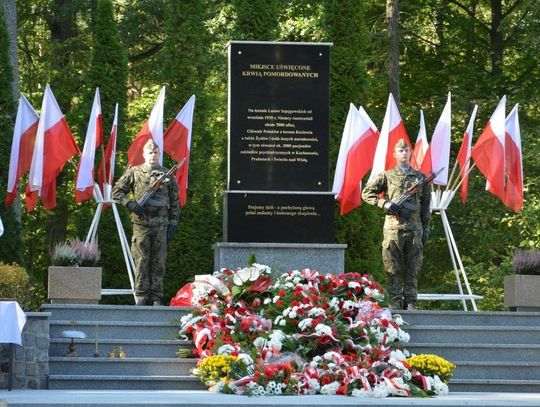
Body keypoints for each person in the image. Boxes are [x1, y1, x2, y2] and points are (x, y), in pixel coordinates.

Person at [362, 138, 431, 310]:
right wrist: (384, 203)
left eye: (406, 150)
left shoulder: (421, 178)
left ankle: (410, 301)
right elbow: (367, 193)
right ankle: (394, 300)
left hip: (415, 229)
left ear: (410, 153)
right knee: (392, 266)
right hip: (393, 228)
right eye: (400, 151)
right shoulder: (387, 176)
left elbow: (425, 207)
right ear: (394, 154)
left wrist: (426, 230)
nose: (404, 153)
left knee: (413, 267)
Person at [112, 139, 179, 306]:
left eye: (156, 153)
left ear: (159, 154)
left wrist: (173, 223)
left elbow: (175, 202)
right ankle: (141, 296)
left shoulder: (167, 175)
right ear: (144, 154)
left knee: (159, 261)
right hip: (141, 225)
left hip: (161, 225)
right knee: (141, 260)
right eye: (150, 153)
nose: (153, 156)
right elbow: (116, 191)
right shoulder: (135, 172)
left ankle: (156, 297)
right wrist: (130, 203)